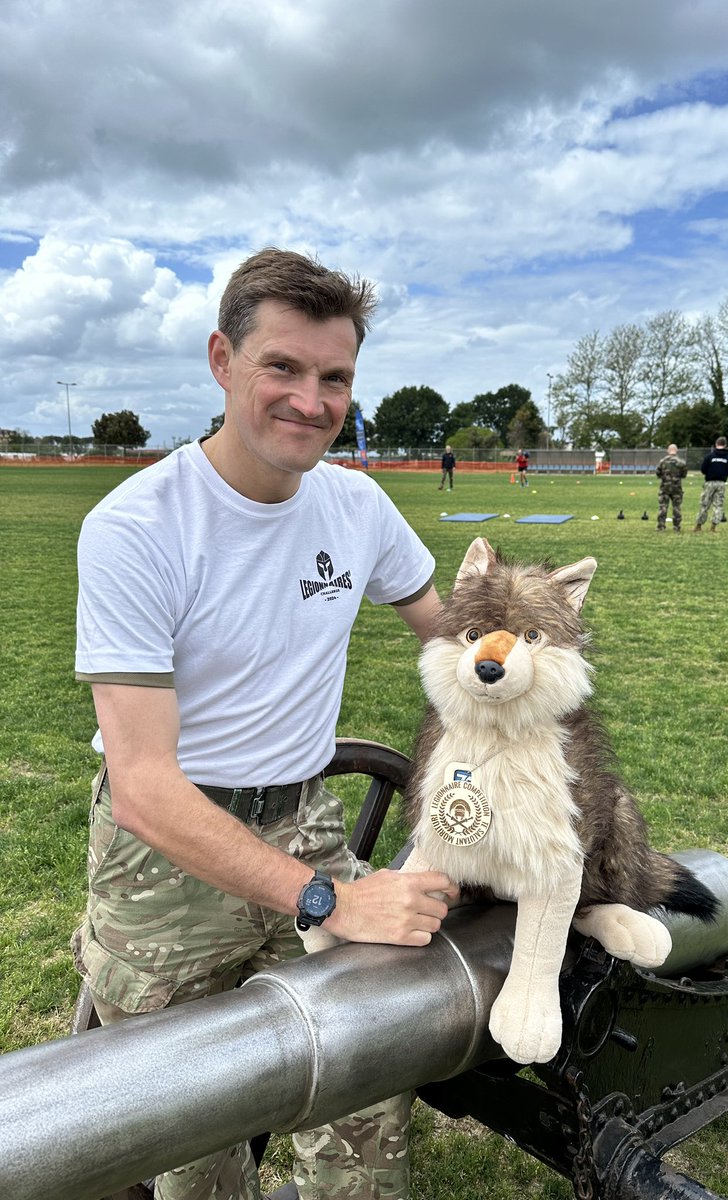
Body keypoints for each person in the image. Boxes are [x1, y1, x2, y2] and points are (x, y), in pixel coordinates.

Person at [71, 248, 457, 1200]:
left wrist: (528, 670)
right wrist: (329, 901)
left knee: (366, 1078)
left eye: (335, 378)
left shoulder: (357, 505)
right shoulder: (138, 528)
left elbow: (451, 640)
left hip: (307, 820)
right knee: (188, 1137)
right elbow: (145, 786)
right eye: (282, 367)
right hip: (163, 859)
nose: (311, 400)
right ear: (221, 360)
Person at [692, 437, 728, 532]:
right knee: (718, 505)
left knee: (704, 504)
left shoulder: (709, 456)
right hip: (721, 483)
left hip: (709, 483)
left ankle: (698, 526)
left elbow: (703, 469)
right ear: (725, 445)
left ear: (716, 444)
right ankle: (713, 526)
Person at [655, 443, 688, 532]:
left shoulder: (662, 461)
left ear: (668, 451)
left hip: (665, 487)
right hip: (677, 488)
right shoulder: (681, 462)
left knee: (663, 506)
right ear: (676, 450)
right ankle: (676, 527)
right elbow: (684, 475)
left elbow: (658, 473)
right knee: (676, 507)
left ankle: (661, 526)